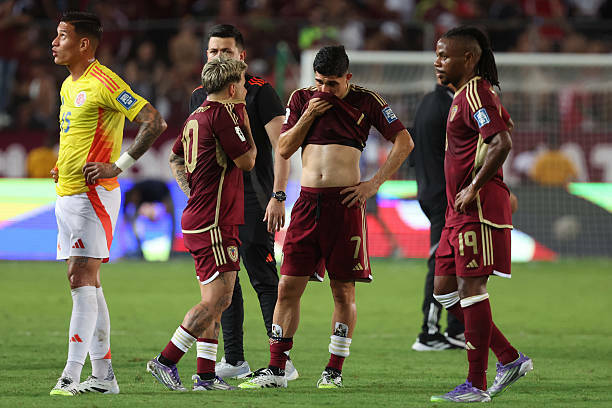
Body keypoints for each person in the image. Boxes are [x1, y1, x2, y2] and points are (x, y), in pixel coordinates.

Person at [239, 45, 414, 389]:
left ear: (348, 77)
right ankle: (276, 370)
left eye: (332, 83)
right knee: (287, 287)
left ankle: (333, 371)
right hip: (306, 204)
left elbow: (404, 142)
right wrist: (308, 115)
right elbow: (284, 148)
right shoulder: (301, 99)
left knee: (343, 291)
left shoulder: (368, 102)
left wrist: (373, 184)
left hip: (344, 205)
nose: (324, 90)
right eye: (319, 82)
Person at [50, 11, 167, 396]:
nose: (54, 42)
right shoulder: (68, 85)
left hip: (93, 196)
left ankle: (71, 375)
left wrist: (118, 166)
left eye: (62, 35)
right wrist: (62, 165)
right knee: (87, 282)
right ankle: (103, 377)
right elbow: (77, 135)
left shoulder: (105, 82)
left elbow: (154, 121)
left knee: (80, 278)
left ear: (84, 44)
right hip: (67, 193)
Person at [430, 26, 533, 403]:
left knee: (471, 290)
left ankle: (475, 385)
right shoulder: (466, 96)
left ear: (468, 59)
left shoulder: (475, 92)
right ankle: (509, 358)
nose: (437, 62)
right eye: (437, 54)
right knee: (444, 292)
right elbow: (502, 125)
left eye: (444, 56)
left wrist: (475, 185)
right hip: (456, 213)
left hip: (476, 209)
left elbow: (502, 140)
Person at [188, 24, 295, 380]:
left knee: (262, 277)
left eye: (226, 51)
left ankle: (281, 361)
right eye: (213, 51)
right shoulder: (199, 95)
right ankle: (234, 359)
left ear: (242, 56)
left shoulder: (261, 92)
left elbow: (282, 147)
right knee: (225, 280)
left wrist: (278, 195)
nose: (219, 57)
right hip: (218, 202)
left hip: (254, 197)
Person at [146, 57, 256, 392]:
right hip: (214, 222)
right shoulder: (225, 115)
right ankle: (166, 360)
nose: (245, 91)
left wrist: (191, 191)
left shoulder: (196, 116)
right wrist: (245, 118)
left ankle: (206, 376)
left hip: (207, 217)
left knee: (217, 300)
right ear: (233, 88)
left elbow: (175, 157)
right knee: (216, 300)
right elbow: (248, 160)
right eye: (243, 84)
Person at [410, 80, 465, 352]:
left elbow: (412, 148)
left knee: (453, 260)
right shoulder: (450, 105)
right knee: (441, 261)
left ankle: (456, 329)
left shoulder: (426, 102)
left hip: (428, 188)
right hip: (443, 195)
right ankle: (429, 332)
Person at [123, 179, 175, 259]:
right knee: (133, 222)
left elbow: (167, 208)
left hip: (161, 192)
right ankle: (139, 249)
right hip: (146, 201)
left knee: (173, 220)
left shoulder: (159, 191)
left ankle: (171, 251)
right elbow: (129, 212)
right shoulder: (134, 196)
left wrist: (155, 214)